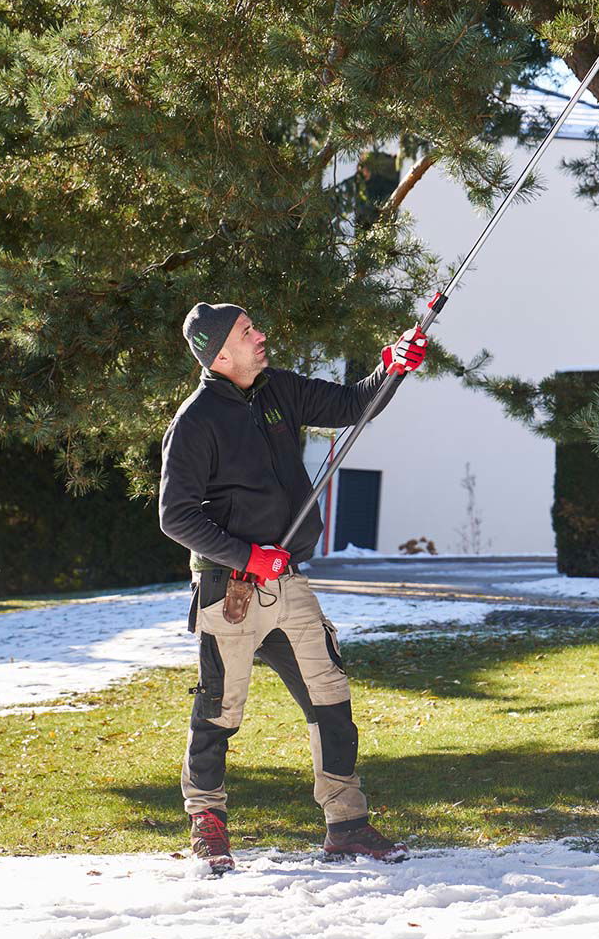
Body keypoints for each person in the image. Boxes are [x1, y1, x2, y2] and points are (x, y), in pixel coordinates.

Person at [159, 301, 427, 872]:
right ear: (219, 353)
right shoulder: (196, 420)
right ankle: (207, 821)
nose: (261, 335)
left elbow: (356, 404)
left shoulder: (277, 389)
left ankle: (347, 825)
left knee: (330, 693)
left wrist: (393, 367)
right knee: (218, 709)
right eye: (247, 331)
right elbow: (176, 517)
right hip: (228, 586)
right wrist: (250, 556)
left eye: (255, 324)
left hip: (290, 582)